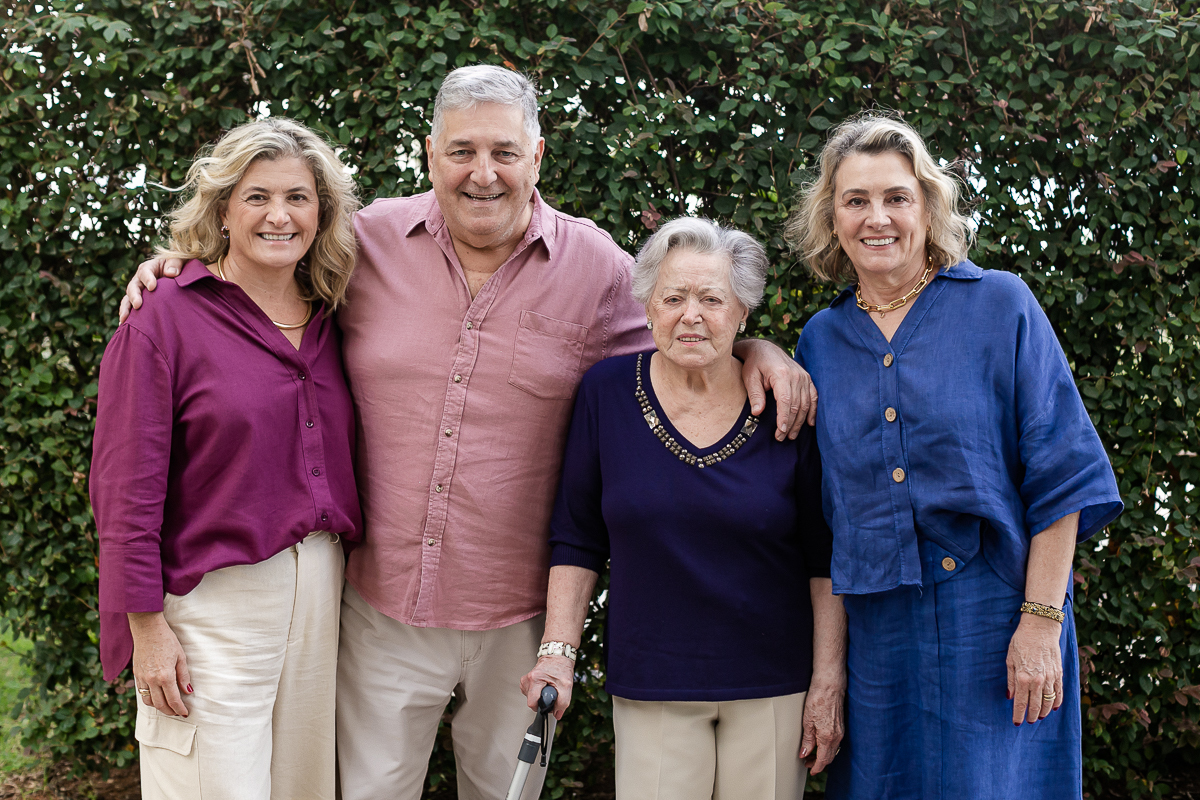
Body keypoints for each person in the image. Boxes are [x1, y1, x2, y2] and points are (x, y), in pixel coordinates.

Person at [118, 65, 816, 800]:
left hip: (517, 621)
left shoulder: (599, 270)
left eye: (504, 153)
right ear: (430, 153)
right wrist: (179, 270)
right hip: (380, 611)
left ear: (537, 157)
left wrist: (754, 350)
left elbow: (687, 337)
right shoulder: (365, 243)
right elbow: (265, 278)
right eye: (462, 151)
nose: (483, 173)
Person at [786, 112, 1124, 799]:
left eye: (896, 198)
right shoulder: (819, 342)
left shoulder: (1001, 305)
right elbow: (822, 527)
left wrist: (1041, 621)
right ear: (832, 218)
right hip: (880, 640)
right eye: (856, 201)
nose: (876, 218)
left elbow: (1063, 475)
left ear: (928, 207)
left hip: (998, 619)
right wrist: (829, 678)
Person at [519, 218, 846, 799]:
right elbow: (577, 536)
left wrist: (827, 681)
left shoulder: (787, 404)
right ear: (647, 305)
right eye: (673, 297)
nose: (690, 315)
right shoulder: (606, 393)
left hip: (774, 684)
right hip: (653, 683)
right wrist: (557, 653)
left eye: (712, 299)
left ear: (742, 311)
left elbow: (825, 557)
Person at [91, 117, 363, 800]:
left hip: (322, 587)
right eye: (256, 197)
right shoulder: (165, 316)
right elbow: (125, 488)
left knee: (301, 787)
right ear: (221, 209)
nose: (280, 215)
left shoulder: (336, 316)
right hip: (214, 600)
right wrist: (145, 628)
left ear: (322, 212)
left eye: (299, 197)